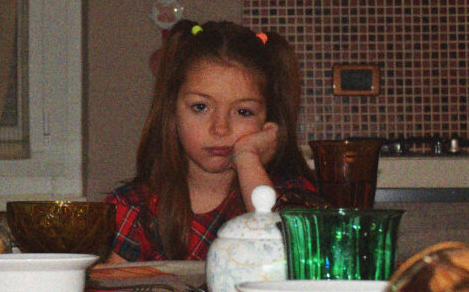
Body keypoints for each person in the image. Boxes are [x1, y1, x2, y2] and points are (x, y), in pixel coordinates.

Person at [104, 19, 316, 262]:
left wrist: (247, 158)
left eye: (243, 112)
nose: (220, 129)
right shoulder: (135, 207)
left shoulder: (293, 198)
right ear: (171, 111)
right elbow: (110, 283)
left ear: (269, 122)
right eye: (200, 107)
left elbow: (295, 260)